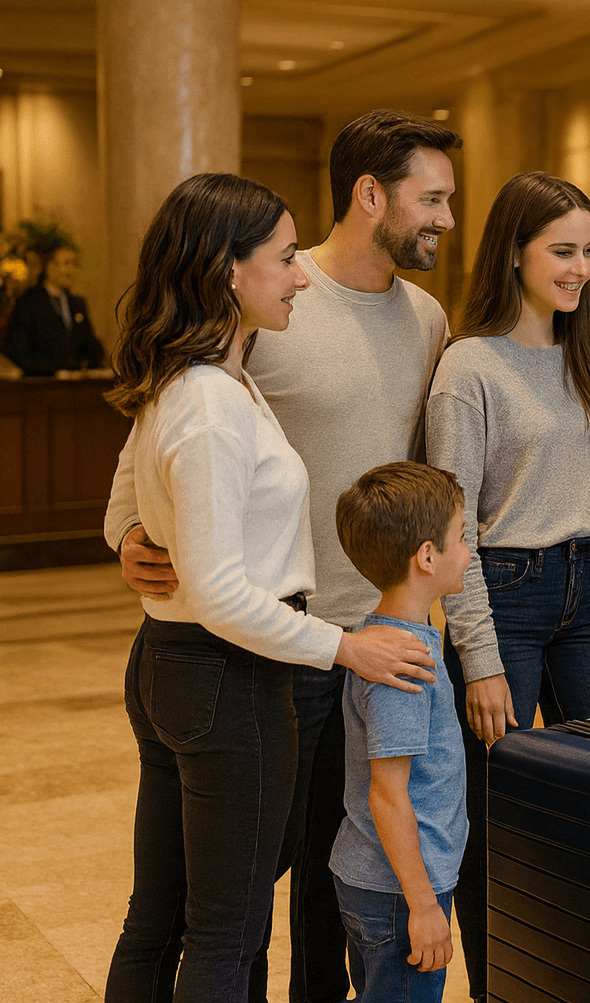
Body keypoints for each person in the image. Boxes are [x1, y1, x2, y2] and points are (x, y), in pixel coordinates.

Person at [104, 109, 461, 1003]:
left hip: (377, 638)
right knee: (242, 907)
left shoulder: (426, 318)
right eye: (434, 197)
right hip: (283, 646)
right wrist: (130, 535)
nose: (448, 218)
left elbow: (432, 492)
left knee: (348, 878)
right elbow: (151, 445)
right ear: (371, 195)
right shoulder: (261, 319)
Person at [426, 171, 590, 1002]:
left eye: (589, 251)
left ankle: (587, 977)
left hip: (588, 597)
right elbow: (452, 526)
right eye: (562, 251)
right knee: (497, 820)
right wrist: (479, 657)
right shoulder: (469, 368)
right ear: (514, 253)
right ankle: (505, 987)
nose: (580, 268)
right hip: (505, 598)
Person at [330, 462, 471, 1003]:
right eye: (461, 536)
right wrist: (423, 906)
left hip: (378, 881)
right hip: (398, 890)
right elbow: (388, 795)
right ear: (427, 557)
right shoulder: (402, 663)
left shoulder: (386, 637)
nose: (470, 550)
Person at [3, 242, 106, 375]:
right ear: (50, 267)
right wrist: (54, 371)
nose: (71, 271)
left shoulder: (77, 304)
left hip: (74, 387)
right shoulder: (28, 303)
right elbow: (19, 352)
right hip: (40, 386)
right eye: (66, 263)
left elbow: (90, 346)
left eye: (74, 264)